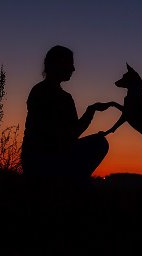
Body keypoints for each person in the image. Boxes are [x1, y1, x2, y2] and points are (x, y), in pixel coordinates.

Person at [21, 45, 113, 183]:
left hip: (32, 162)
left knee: (98, 141)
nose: (73, 69)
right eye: (70, 64)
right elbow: (69, 135)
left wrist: (91, 109)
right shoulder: (60, 97)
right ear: (58, 64)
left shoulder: (39, 90)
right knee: (100, 143)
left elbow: (68, 134)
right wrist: (91, 112)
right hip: (46, 161)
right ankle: (70, 184)